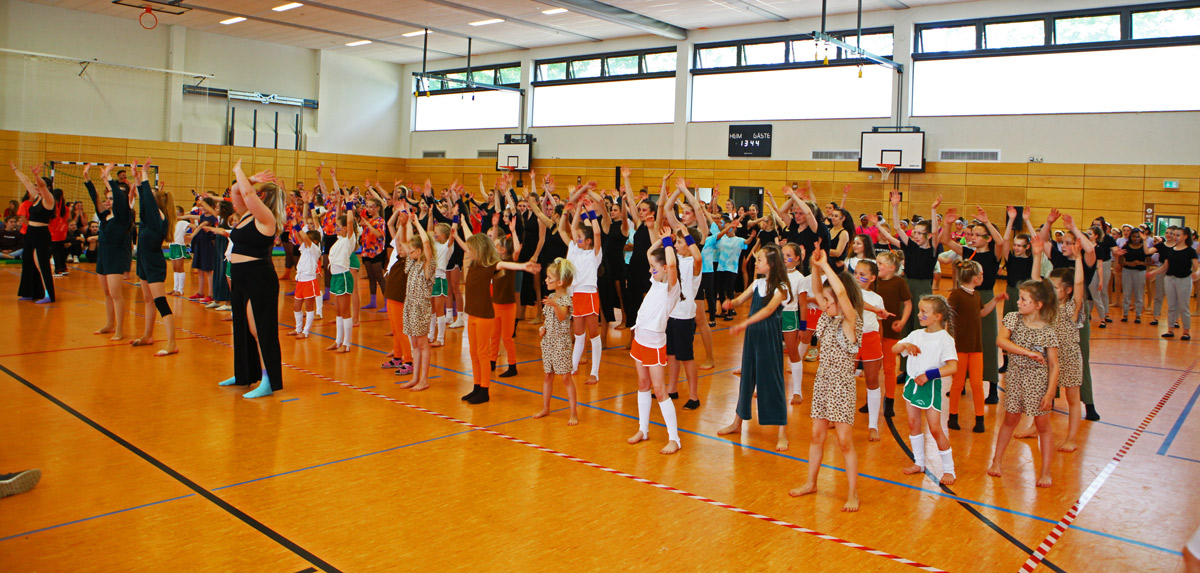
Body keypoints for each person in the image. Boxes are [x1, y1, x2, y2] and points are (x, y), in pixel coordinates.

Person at [789, 249, 862, 512]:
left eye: (829, 301)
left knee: (844, 441)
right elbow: (819, 291)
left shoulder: (851, 322)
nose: (823, 303)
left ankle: (853, 493)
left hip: (842, 386)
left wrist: (827, 266)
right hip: (823, 382)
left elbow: (839, 293)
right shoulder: (828, 318)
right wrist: (816, 267)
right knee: (816, 436)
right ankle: (811, 482)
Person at [217, 160, 284, 399]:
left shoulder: (266, 218)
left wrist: (238, 170)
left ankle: (268, 381)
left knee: (259, 329)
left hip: (259, 277)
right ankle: (243, 374)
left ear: (261, 197)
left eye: (256, 191)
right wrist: (251, 179)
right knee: (242, 327)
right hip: (240, 276)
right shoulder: (246, 215)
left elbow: (245, 192)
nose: (251, 192)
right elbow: (237, 191)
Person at [455, 224, 540, 404]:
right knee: (473, 353)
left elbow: (504, 263)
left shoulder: (489, 265)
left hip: (484, 316)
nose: (468, 252)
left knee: (482, 353)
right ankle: (476, 386)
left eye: (471, 250)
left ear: (479, 250)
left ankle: (484, 390)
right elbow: (469, 241)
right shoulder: (474, 263)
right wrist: (461, 224)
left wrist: (523, 266)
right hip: (471, 315)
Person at [718, 244, 791, 451]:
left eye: (759, 260)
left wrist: (745, 323)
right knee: (747, 378)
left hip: (768, 336)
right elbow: (740, 300)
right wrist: (730, 303)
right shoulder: (757, 283)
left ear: (772, 264)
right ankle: (737, 422)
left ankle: (782, 432)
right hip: (753, 336)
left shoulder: (781, 288)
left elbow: (768, 310)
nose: (755, 263)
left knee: (774, 381)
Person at [989, 277, 1060, 488]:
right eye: (1019, 298)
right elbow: (1001, 341)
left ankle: (1045, 472)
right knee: (1010, 420)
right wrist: (1027, 352)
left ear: (1038, 305)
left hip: (1038, 381)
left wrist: (1050, 393)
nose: (1018, 302)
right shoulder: (1013, 318)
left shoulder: (1048, 330)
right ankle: (996, 461)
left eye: (1023, 299)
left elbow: (1054, 365)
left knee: (1042, 425)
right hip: (1015, 378)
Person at [939, 205, 1005, 405]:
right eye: (972, 234)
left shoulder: (994, 254)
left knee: (987, 341)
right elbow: (946, 240)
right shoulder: (968, 252)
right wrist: (947, 224)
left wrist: (986, 222)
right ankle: (960, 383)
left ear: (988, 238)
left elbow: (1001, 242)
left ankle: (992, 387)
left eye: (978, 235)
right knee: (963, 341)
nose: (973, 237)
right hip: (967, 296)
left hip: (985, 296)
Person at [626, 225, 682, 456]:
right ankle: (643, 429)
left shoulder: (671, 288)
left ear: (665, 269)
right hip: (640, 338)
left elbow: (672, 266)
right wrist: (661, 240)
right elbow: (650, 253)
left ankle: (674, 439)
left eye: (654, 268)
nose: (651, 271)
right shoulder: (656, 282)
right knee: (643, 384)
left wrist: (668, 243)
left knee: (659, 390)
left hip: (654, 342)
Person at [894, 294, 959, 485]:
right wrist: (904, 344)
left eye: (924, 312)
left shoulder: (944, 339)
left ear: (938, 316)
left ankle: (949, 470)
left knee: (935, 429)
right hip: (912, 383)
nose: (919, 315)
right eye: (919, 311)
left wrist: (929, 375)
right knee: (913, 424)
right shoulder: (916, 334)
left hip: (929, 386)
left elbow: (952, 367)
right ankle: (919, 463)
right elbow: (894, 350)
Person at [946, 259, 1006, 433]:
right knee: (957, 383)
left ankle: (979, 419)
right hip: (960, 347)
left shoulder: (976, 295)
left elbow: (981, 313)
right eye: (981, 274)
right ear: (975, 277)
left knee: (977, 384)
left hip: (976, 348)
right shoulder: (957, 295)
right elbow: (948, 317)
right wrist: (949, 341)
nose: (982, 277)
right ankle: (952, 416)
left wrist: (995, 300)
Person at [128, 159, 179, 356]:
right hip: (143, 260)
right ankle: (148, 335)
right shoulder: (150, 219)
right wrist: (137, 178)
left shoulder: (159, 219)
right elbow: (144, 197)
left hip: (154, 263)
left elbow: (146, 197)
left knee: (160, 302)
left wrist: (144, 173)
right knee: (148, 300)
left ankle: (172, 343)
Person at [561, 183, 605, 385]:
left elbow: (597, 233)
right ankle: (573, 366)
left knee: (593, 335)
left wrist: (591, 213)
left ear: (587, 241)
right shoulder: (575, 250)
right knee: (579, 335)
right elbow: (573, 227)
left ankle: (595, 372)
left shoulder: (594, 254)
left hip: (589, 295)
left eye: (580, 237)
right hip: (576, 295)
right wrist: (578, 207)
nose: (576, 238)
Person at [85, 164, 132, 338]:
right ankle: (110, 324)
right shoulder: (106, 216)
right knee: (107, 293)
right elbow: (95, 199)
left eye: (112, 198)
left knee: (115, 294)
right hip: (103, 257)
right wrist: (88, 180)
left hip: (116, 258)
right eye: (108, 198)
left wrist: (109, 178)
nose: (109, 201)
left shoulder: (124, 217)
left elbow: (119, 196)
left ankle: (120, 329)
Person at [534, 258, 580, 425]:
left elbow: (561, 316)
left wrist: (554, 304)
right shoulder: (552, 297)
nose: (546, 280)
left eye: (550, 278)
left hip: (561, 344)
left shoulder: (565, 299)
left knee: (566, 378)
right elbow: (549, 319)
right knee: (548, 375)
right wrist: (543, 328)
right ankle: (545, 407)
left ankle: (573, 412)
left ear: (560, 282)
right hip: (548, 342)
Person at [398, 203, 436, 392]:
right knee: (414, 343)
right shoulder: (411, 263)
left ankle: (424, 379)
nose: (409, 252)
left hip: (421, 307)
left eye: (412, 250)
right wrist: (405, 222)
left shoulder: (428, 265)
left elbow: (427, 243)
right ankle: (415, 377)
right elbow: (404, 242)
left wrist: (417, 223)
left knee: (422, 343)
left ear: (419, 251)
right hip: (410, 305)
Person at [10, 162, 56, 303]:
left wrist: (37, 176)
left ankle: (48, 295)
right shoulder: (37, 197)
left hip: (41, 234)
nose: (35, 187)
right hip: (30, 232)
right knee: (28, 262)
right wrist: (15, 169)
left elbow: (41, 186)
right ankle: (30, 292)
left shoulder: (49, 200)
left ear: (48, 187)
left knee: (41, 264)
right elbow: (26, 181)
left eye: (38, 185)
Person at [873, 250, 911, 418]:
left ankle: (889, 401)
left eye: (880, 263)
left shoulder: (899, 282)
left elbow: (908, 304)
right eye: (876, 263)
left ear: (891, 267)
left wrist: (902, 322)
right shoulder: (873, 281)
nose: (877, 266)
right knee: (873, 368)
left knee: (889, 368)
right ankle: (871, 399)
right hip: (874, 331)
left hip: (891, 332)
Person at [1147, 226, 1199, 340]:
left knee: (1183, 307)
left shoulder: (1190, 251)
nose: (1175, 237)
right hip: (1169, 279)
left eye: (1178, 235)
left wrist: (1197, 273)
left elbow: (1196, 267)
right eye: (1174, 235)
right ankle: (1170, 330)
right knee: (1171, 306)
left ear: (1185, 236)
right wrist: (1154, 272)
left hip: (1184, 280)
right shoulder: (1171, 250)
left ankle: (1186, 332)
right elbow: (1165, 267)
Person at [381, 196, 413, 374]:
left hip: (400, 298)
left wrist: (406, 221)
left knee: (401, 330)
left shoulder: (409, 259)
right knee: (395, 329)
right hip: (391, 297)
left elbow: (406, 240)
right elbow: (400, 238)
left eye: (403, 246)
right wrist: (402, 219)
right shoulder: (397, 254)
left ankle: (409, 360)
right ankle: (397, 357)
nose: (399, 247)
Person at [325, 200, 359, 353]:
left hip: (343, 277)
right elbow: (341, 218)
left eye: (338, 226)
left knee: (345, 312)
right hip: (335, 277)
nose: (335, 228)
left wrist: (349, 204)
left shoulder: (349, 241)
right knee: (338, 311)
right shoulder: (339, 240)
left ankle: (347, 344)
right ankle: (338, 341)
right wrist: (340, 204)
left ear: (345, 228)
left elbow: (350, 222)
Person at [780, 243, 808, 405]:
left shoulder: (800, 278)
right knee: (770, 352)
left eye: (789, 255)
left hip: (790, 316)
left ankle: (797, 392)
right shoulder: (775, 273)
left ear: (797, 259)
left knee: (793, 353)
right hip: (774, 315)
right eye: (782, 254)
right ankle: (764, 386)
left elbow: (803, 305)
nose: (784, 258)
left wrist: (802, 327)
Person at [289, 230, 322, 339]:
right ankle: (298, 329)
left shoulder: (315, 250)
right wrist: (295, 225)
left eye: (307, 239)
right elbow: (300, 238)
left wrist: (298, 227)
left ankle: (306, 331)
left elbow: (305, 238)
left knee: (309, 308)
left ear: (314, 241)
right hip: (300, 281)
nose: (304, 240)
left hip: (309, 281)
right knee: (296, 306)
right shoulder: (304, 248)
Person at [1117, 227, 1150, 322]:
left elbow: (1149, 261)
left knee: (1139, 294)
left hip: (1140, 272)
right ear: (1130, 237)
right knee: (1126, 293)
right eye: (1134, 236)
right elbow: (1120, 260)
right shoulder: (1126, 247)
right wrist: (1128, 263)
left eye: (1138, 237)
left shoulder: (1144, 248)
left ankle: (1138, 315)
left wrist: (1140, 263)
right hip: (1127, 271)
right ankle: (1125, 314)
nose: (1135, 238)